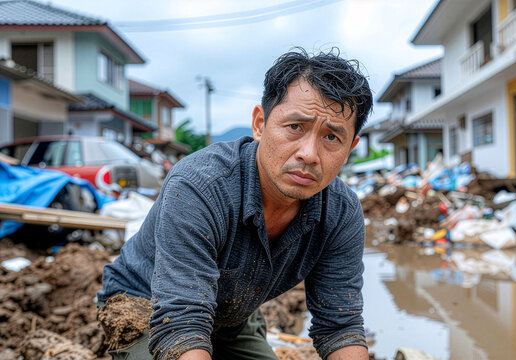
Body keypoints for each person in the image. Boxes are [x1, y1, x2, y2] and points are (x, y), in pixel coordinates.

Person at [97, 48, 373, 360]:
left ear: (350, 148)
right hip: (144, 303)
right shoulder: (200, 188)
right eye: (295, 127)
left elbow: (340, 326)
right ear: (260, 124)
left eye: (331, 137)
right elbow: (181, 326)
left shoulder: (340, 212)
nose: (309, 154)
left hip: (230, 312)